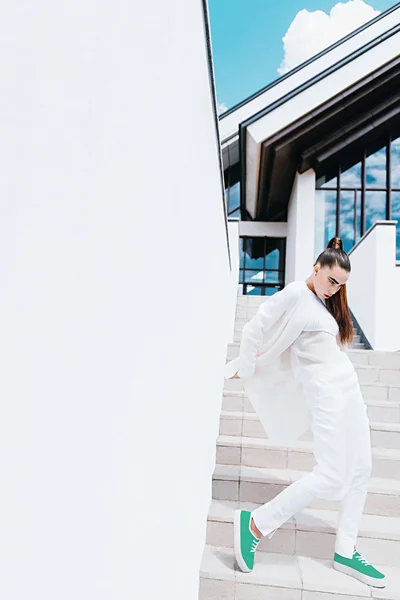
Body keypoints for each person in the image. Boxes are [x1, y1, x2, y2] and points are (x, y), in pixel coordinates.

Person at [227, 237, 386, 589]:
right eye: (331, 280)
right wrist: (247, 366)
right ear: (317, 268)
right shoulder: (297, 293)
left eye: (341, 284)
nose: (335, 289)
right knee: (331, 475)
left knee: (361, 470)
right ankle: (254, 523)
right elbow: (255, 327)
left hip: (349, 390)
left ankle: (345, 550)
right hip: (325, 396)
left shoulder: (324, 303)